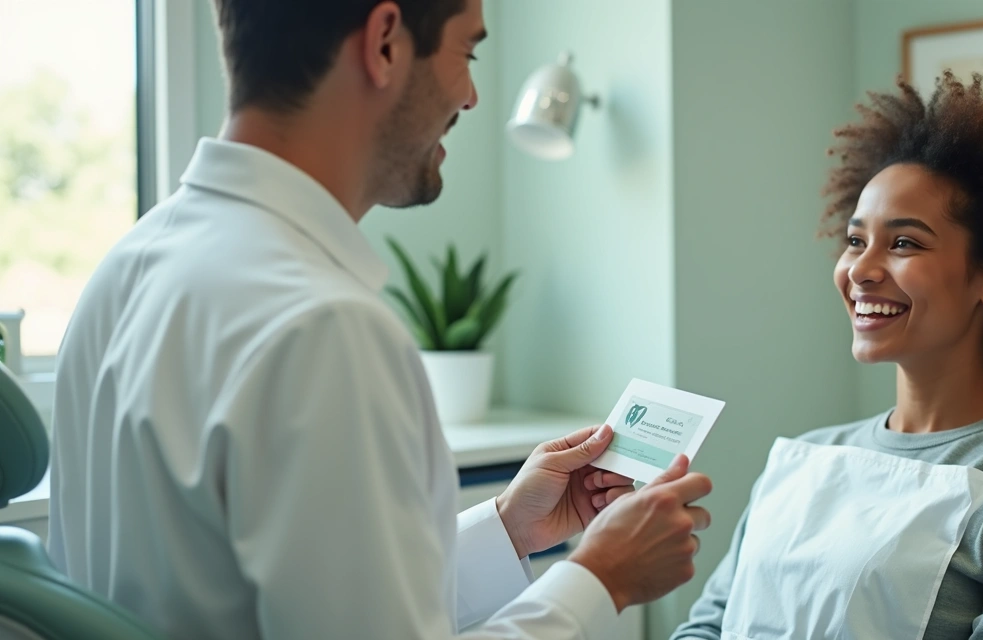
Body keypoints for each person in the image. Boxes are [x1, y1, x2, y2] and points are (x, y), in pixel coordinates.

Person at [47, 1, 713, 638]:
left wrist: (509, 528)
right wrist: (601, 577)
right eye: (467, 53)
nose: (471, 97)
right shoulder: (326, 329)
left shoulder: (123, 272)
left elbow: (316, 602)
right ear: (386, 43)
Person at [671, 72, 983, 639]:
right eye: (856, 241)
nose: (860, 269)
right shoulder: (806, 457)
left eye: (904, 242)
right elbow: (707, 627)